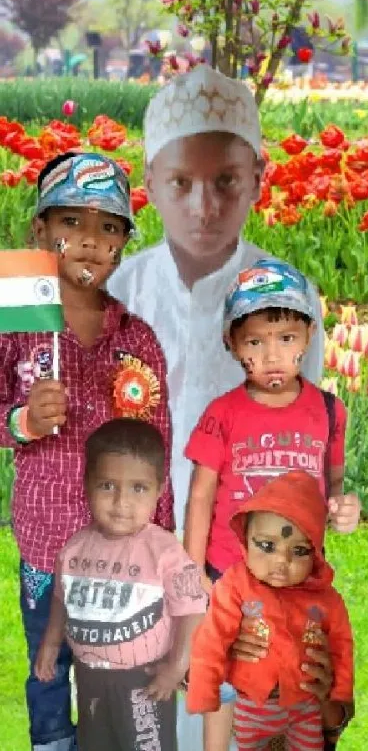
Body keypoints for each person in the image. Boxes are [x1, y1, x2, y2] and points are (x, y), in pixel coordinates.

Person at [107, 64, 344, 750]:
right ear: (149, 185)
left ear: (258, 179)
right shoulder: (123, 289)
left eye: (225, 181)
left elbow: (296, 444)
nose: (203, 205)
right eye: (180, 183)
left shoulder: (286, 297)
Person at [0, 151, 173, 751]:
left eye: (108, 227)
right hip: (47, 546)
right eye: (70, 223)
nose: (89, 241)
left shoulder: (137, 338)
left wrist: (167, 546)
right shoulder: (17, 329)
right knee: (49, 673)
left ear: (124, 242)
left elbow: (160, 449)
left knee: (121, 673)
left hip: (124, 555)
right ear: (39, 232)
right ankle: (51, 743)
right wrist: (22, 420)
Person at [184, 258, 360, 747]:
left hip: (299, 577)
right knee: (227, 682)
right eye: (255, 342)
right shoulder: (223, 414)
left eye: (286, 338)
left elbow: (334, 484)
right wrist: (195, 570)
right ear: (233, 345)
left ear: (308, 335)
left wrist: (346, 507)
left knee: (301, 680)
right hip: (231, 576)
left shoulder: (328, 410)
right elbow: (201, 494)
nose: (272, 355)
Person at [35, 418, 206, 751]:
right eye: (107, 486)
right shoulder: (74, 548)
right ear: (87, 485)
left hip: (144, 679)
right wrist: (52, 643)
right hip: (88, 677)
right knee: (95, 744)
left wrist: (178, 663)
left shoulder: (165, 551)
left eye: (138, 488)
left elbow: (192, 608)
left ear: (159, 489)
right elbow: (61, 598)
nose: (121, 502)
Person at [187, 471, 354, 751]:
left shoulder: (328, 601)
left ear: (316, 553)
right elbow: (212, 639)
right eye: (267, 546)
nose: (281, 561)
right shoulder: (235, 586)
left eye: (299, 550)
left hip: (306, 708)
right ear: (246, 539)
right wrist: (205, 693)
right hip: (255, 705)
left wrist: (337, 699)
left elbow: (343, 653)